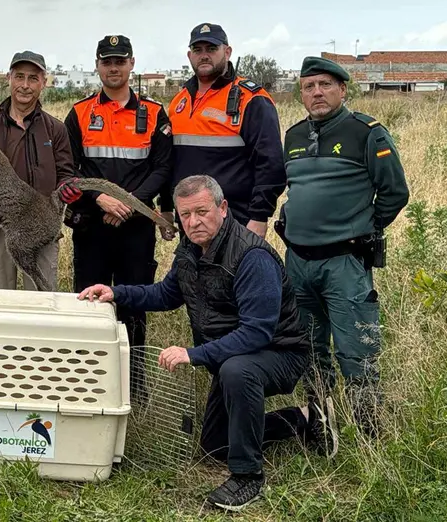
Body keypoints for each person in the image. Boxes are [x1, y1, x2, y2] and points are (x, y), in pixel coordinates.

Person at [78, 175, 335, 512]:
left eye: (202, 212)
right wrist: (116, 292)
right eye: (185, 215)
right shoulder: (190, 249)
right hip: (233, 355)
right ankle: (306, 418)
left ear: (222, 208)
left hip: (280, 352)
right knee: (216, 446)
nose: (193, 222)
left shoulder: (251, 256)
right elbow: (167, 294)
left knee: (237, 372)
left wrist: (193, 354)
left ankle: (248, 478)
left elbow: (257, 333)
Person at [277, 56, 410, 437]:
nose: (317, 92)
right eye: (309, 86)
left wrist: (362, 229)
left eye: (325, 85)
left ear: (342, 89)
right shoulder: (294, 136)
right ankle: (322, 423)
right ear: (301, 93)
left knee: (356, 351)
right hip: (298, 261)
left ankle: (369, 432)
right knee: (309, 348)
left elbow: (395, 193)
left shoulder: (367, 133)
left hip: (344, 263)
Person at [63, 34, 173, 399]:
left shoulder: (154, 113)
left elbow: (162, 168)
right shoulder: (79, 113)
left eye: (120, 61)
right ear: (97, 66)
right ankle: (87, 384)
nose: (114, 68)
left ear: (131, 64)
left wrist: (128, 204)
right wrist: (99, 198)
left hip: (136, 229)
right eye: (107, 61)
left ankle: (133, 386)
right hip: (92, 227)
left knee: (133, 306)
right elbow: (69, 168)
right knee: (88, 305)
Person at [163, 23, 285, 237]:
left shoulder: (251, 99)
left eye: (211, 49)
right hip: (191, 221)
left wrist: (259, 216)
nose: (204, 55)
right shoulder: (179, 101)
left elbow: (271, 164)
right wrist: (166, 205)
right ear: (190, 55)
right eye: (198, 50)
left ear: (227, 52)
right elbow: (169, 161)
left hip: (234, 221)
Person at [0, 50, 77, 290]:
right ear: (9, 78)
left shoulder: (55, 129)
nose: (25, 85)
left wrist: (66, 189)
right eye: (19, 77)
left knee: (41, 300)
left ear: (44, 83)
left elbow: (66, 173)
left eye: (33, 78)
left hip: (39, 227)